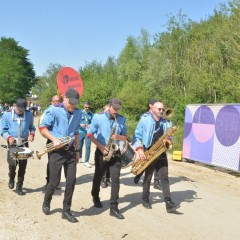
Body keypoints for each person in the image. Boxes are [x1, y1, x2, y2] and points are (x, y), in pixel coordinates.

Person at [39, 88, 81, 223]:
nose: (73, 105)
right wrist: (54, 139)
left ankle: (66, 210)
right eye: (71, 102)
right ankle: (47, 201)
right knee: (54, 181)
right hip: (56, 151)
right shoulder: (53, 110)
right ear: (65, 98)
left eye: (75, 103)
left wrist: (77, 151)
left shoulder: (78, 113)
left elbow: (75, 133)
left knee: (71, 181)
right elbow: (42, 128)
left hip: (70, 151)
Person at [132, 98, 180, 213]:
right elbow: (136, 136)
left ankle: (168, 202)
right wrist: (140, 150)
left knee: (164, 178)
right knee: (148, 177)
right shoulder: (144, 120)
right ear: (151, 108)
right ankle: (145, 199)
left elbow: (170, 137)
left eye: (163, 109)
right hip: (149, 152)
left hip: (162, 152)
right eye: (159, 108)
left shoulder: (166, 121)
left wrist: (168, 140)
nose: (162, 111)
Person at [87, 98, 127, 219]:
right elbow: (89, 134)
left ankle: (114, 208)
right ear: (109, 106)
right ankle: (95, 195)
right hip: (102, 151)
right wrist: (100, 146)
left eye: (118, 109)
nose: (116, 111)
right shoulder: (98, 117)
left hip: (116, 152)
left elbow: (125, 136)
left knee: (116, 180)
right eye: (114, 108)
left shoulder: (121, 119)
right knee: (98, 176)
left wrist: (119, 137)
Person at [1, 98, 36, 195]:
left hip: (24, 143)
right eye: (18, 109)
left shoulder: (29, 114)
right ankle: (11, 177)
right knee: (12, 164)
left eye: (22, 109)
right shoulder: (7, 115)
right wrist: (8, 137)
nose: (20, 111)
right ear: (14, 105)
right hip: (12, 142)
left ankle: (19, 186)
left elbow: (32, 128)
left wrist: (32, 134)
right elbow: (3, 130)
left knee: (22, 165)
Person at [45, 95, 63, 190]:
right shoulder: (49, 111)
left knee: (59, 163)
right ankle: (49, 181)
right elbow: (43, 127)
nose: (57, 102)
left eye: (58, 101)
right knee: (51, 162)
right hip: (52, 140)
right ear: (52, 102)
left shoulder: (64, 111)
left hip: (62, 141)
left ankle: (56, 183)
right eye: (55, 101)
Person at [79, 101, 94, 168]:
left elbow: (94, 123)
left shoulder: (91, 114)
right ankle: (79, 157)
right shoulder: (80, 113)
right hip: (80, 131)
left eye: (88, 107)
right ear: (83, 106)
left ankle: (86, 161)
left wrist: (90, 126)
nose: (87, 108)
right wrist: (80, 125)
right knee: (79, 145)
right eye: (86, 107)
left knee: (88, 146)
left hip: (88, 132)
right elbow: (76, 122)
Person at [100, 104, 112, 188]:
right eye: (107, 110)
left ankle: (108, 178)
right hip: (102, 145)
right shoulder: (100, 119)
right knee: (103, 164)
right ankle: (102, 179)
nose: (108, 112)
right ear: (103, 110)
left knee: (110, 164)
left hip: (111, 145)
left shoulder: (112, 120)